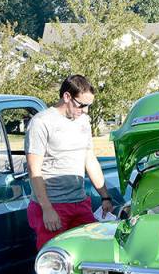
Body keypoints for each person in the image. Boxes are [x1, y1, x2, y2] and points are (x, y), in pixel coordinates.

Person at [25, 75, 113, 249]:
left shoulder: (83, 121)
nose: (86, 110)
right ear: (67, 97)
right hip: (53, 206)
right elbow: (34, 171)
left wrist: (105, 196)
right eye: (82, 105)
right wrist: (47, 209)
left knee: (92, 253)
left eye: (89, 106)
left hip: (80, 203)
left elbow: (90, 159)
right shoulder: (41, 123)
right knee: (55, 262)